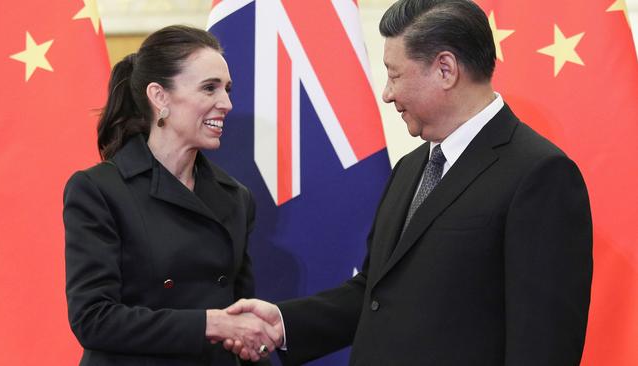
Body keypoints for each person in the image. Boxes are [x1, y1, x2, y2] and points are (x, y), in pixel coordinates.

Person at [223, 0, 593, 365]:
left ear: (445, 69)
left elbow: (544, 343)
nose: (387, 93)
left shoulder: (539, 174)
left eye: (395, 75)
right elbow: (376, 292)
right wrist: (283, 324)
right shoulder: (410, 168)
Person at [63, 25, 278, 366]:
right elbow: (93, 318)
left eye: (227, 89)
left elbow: (241, 314)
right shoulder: (99, 189)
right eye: (210, 88)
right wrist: (211, 324)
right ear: (159, 96)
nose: (226, 103)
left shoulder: (236, 197)